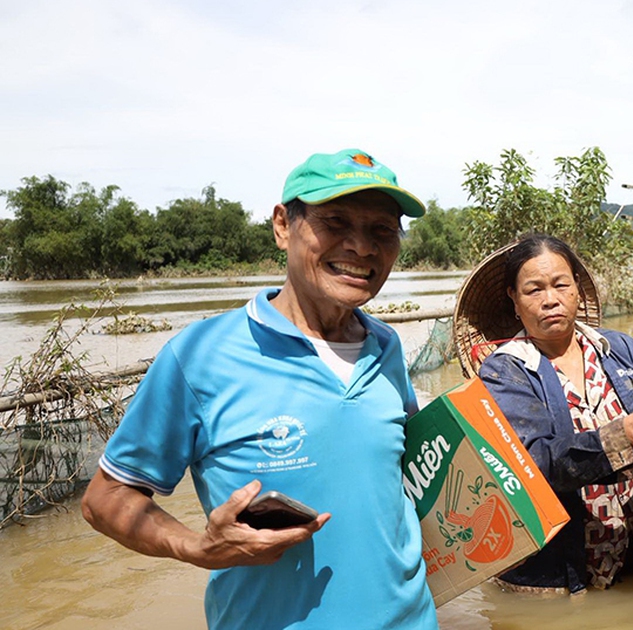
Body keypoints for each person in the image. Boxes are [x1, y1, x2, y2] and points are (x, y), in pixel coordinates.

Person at [80, 149, 438, 629]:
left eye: (382, 231)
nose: (362, 247)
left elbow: (407, 481)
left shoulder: (387, 346)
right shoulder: (201, 355)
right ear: (282, 226)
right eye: (335, 222)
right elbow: (105, 500)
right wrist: (198, 547)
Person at [461, 234, 633, 595]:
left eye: (560, 285)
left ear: (578, 290)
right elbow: (534, 464)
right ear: (514, 300)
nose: (550, 299)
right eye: (534, 290)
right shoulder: (504, 372)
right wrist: (631, 430)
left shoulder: (618, 350)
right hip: (564, 568)